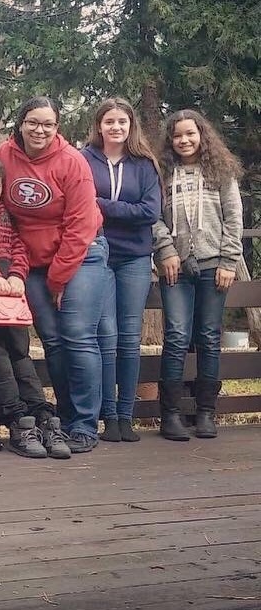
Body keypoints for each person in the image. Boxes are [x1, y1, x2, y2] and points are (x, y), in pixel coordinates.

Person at [0, 96, 109, 454]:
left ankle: (86, 424)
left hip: (81, 254)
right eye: (33, 122)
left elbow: (81, 224)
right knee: (52, 340)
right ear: (21, 123)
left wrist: (59, 278)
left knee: (78, 336)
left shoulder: (72, 161)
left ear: (57, 128)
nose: (39, 130)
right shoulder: (4, 156)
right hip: (30, 261)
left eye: (48, 124)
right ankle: (66, 418)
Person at [0, 160, 69, 460]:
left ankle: (42, 417)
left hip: (11, 290)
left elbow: (19, 245)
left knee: (20, 353)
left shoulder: (7, 212)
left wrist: (17, 275)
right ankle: (17, 422)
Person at [152, 110, 243, 441]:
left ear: (202, 135)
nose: (184, 140)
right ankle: (170, 415)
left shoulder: (221, 172)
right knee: (176, 336)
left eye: (190, 134)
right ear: (170, 140)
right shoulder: (161, 173)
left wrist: (229, 261)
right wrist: (166, 250)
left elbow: (233, 218)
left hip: (213, 266)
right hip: (175, 266)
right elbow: (153, 217)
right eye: (177, 135)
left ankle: (206, 412)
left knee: (208, 336)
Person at [81, 99, 162, 443]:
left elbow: (150, 212)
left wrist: (102, 205)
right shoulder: (84, 159)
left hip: (135, 257)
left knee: (130, 337)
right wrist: (122, 210)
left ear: (131, 126)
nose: (116, 127)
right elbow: (79, 201)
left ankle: (127, 416)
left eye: (122, 122)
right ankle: (109, 415)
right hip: (97, 255)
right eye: (109, 121)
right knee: (106, 335)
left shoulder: (144, 164)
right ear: (99, 125)